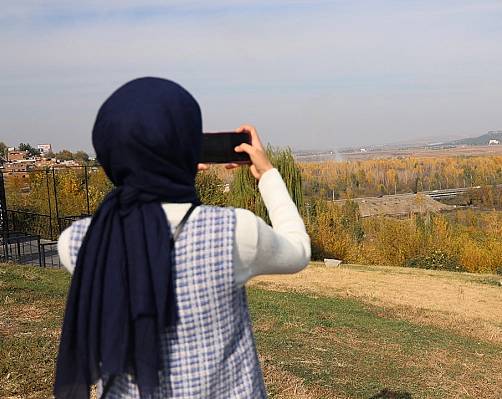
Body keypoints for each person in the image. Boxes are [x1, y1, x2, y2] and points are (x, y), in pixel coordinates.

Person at [53, 77, 311, 399]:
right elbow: (299, 251)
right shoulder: (234, 232)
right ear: (188, 144)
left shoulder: (79, 243)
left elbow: (139, 204)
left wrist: (166, 170)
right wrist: (269, 176)